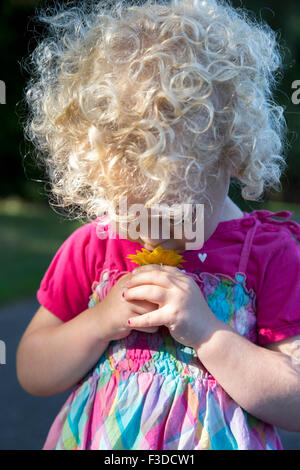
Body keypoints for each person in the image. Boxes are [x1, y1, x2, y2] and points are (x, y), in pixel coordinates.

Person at [16, 0, 300, 450]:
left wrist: (209, 334)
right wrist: (97, 322)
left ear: (231, 156)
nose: (153, 234)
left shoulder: (269, 253)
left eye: (174, 212)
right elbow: (32, 369)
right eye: (132, 210)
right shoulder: (94, 247)